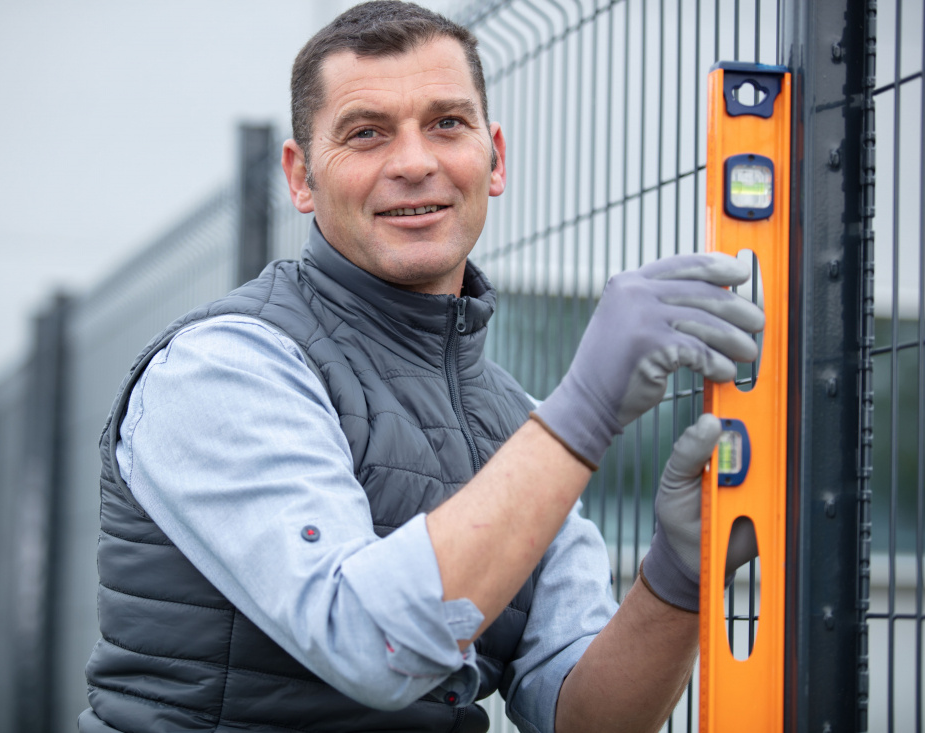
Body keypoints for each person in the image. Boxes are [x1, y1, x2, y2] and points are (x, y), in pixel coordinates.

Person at [78, 2, 763, 732]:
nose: (414, 162)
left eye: (447, 123)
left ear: (494, 158)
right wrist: (586, 411)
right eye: (366, 132)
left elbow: (583, 718)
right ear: (301, 176)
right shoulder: (223, 368)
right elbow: (363, 640)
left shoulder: (517, 426)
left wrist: (678, 579)